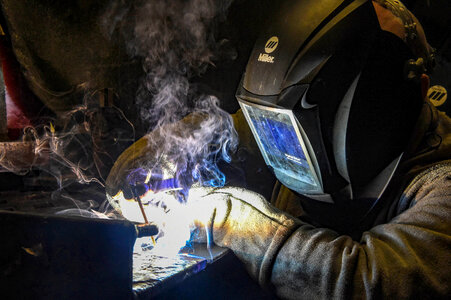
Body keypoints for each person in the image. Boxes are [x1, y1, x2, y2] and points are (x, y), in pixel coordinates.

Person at [106, 0, 451, 298]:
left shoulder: (441, 182)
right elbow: (246, 130)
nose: (276, 141)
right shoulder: (300, 126)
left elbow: (368, 282)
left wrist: (229, 219)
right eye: (267, 121)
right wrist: (188, 141)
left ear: (395, 102)